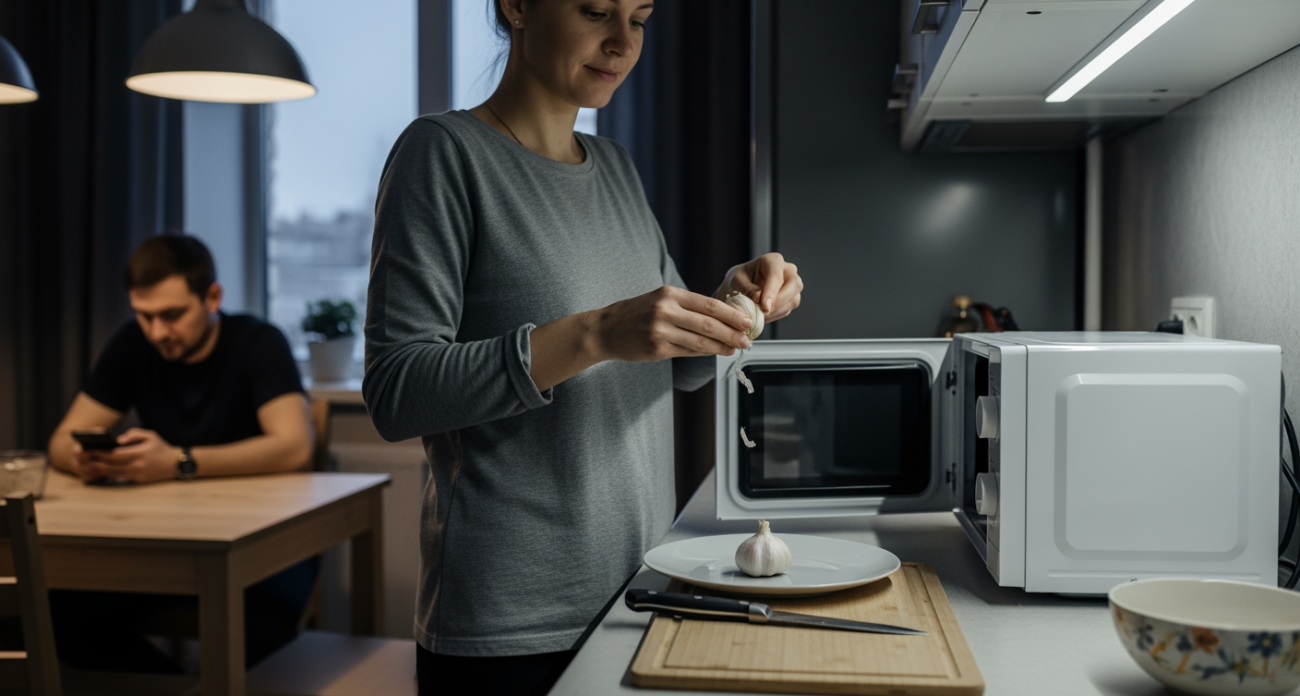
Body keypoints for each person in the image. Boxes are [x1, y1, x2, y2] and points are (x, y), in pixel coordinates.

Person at [362, 1, 804, 694]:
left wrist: (733, 307)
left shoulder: (615, 167)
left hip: (637, 592)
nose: (622, 42)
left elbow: (679, 371)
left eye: (641, 16)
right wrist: (593, 334)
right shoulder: (442, 153)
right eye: (596, 9)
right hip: (507, 629)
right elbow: (396, 391)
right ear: (516, 7)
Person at [46, 234, 318, 671]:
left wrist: (178, 462)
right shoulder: (134, 344)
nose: (157, 332)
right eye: (144, 315)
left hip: (264, 544)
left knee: (260, 630)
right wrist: (85, 460)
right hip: (165, 544)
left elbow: (295, 448)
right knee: (64, 612)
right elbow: (61, 440)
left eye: (172, 315)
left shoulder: (258, 342)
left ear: (212, 297)